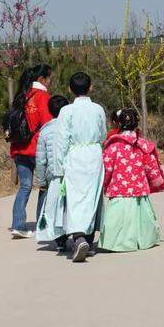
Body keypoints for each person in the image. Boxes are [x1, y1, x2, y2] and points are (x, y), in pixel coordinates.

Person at [98, 108, 164, 252]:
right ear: (136, 123)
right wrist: (158, 182)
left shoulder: (113, 146)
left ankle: (117, 243)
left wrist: (103, 184)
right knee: (141, 217)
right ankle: (143, 240)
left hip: (119, 190)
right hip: (139, 189)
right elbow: (151, 166)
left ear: (118, 124)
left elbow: (107, 169)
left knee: (118, 220)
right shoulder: (142, 145)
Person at [54, 72, 107, 262]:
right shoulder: (98, 109)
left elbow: (61, 141)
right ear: (90, 87)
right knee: (92, 197)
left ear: (69, 89)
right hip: (94, 155)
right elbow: (103, 135)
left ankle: (79, 238)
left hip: (74, 156)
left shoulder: (66, 111)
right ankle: (89, 239)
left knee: (76, 199)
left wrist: (59, 169)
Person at [9, 64, 53, 239]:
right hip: (37, 149)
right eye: (49, 78)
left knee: (25, 186)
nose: (50, 82)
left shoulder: (21, 95)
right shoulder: (43, 97)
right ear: (42, 79)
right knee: (44, 186)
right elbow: (48, 124)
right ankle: (42, 224)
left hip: (19, 147)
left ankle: (17, 225)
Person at [35, 95, 70, 249]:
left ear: (50, 111)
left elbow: (41, 159)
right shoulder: (71, 126)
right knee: (70, 205)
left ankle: (60, 240)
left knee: (56, 205)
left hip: (53, 174)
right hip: (70, 172)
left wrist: (41, 181)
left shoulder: (45, 131)